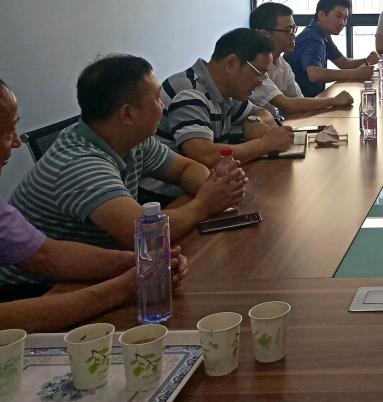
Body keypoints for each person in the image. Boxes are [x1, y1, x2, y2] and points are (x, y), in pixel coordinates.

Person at [0, 57, 242, 289]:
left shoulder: (131, 138)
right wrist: (204, 204)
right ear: (127, 114)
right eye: (157, 99)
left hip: (99, 266)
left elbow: (186, 168)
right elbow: (145, 234)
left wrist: (213, 188)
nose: (162, 106)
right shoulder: (79, 163)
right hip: (39, 289)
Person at [0, 78, 188, 331]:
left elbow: (45, 253)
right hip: (27, 293)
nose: (16, 143)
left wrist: (137, 261)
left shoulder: (132, 140)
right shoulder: (77, 163)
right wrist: (122, 289)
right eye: (7, 132)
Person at [156, 28, 295, 168]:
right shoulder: (189, 91)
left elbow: (263, 113)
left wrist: (253, 123)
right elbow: (204, 155)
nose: (260, 82)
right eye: (259, 73)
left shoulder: (228, 92)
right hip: (172, 182)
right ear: (230, 64)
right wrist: (265, 143)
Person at [249, 2, 354, 118]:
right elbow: (287, 105)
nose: (293, 35)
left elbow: (298, 100)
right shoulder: (252, 66)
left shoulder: (282, 64)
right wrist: (333, 101)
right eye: (288, 30)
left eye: (294, 29)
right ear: (265, 34)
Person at [285, 0, 380, 97]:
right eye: (338, 16)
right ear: (321, 15)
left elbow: (343, 63)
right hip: (301, 103)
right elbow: (314, 74)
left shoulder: (322, 34)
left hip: (313, 100)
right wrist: (355, 73)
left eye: (345, 18)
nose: (342, 23)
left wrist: (366, 60)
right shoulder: (312, 38)